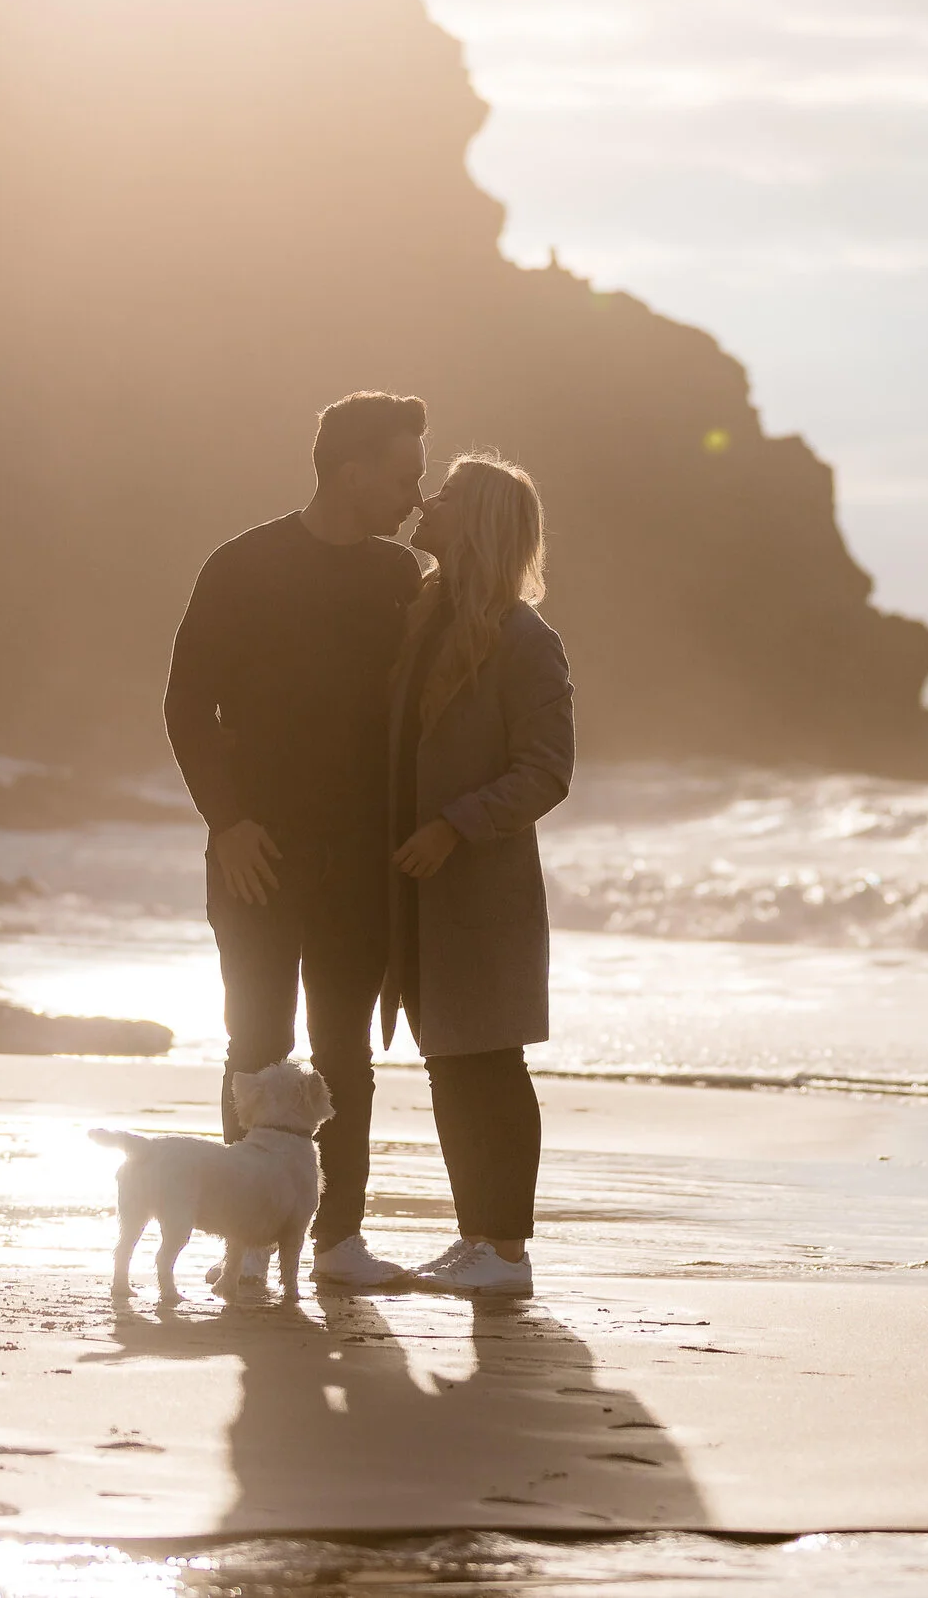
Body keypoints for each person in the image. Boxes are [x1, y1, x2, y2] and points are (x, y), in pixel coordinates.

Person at [164, 392, 427, 1291]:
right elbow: (187, 708)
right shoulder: (243, 566)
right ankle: (244, 1242)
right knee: (257, 1045)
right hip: (257, 855)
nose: (415, 496)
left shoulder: (403, 580)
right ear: (351, 474)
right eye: (403, 476)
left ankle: (338, 1239)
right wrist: (227, 822)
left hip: (360, 858)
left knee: (344, 1048)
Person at [383, 453, 573, 1299]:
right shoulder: (418, 616)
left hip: (481, 887)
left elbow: (547, 770)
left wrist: (453, 827)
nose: (429, 501)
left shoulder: (527, 641)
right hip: (416, 885)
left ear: (482, 521)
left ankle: (508, 1248)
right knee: (450, 1063)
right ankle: (476, 1236)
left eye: (449, 496)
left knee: (491, 1061)